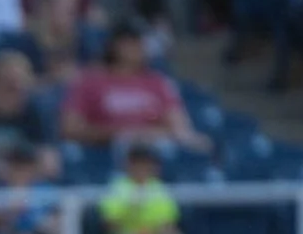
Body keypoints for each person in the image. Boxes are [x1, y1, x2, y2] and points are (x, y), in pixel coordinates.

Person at [60, 21, 206, 150]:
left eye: (141, 41)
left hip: (153, 153)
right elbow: (70, 129)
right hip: (104, 153)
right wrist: (118, 134)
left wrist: (145, 135)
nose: (140, 47)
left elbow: (179, 127)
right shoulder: (90, 81)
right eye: (133, 42)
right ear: (116, 45)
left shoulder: (157, 82)